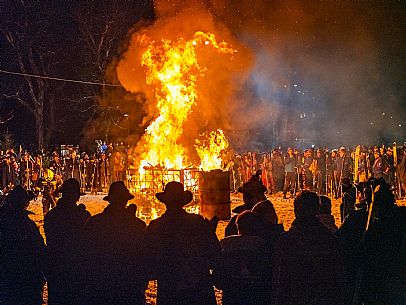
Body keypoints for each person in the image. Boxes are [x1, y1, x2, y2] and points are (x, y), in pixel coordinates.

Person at [147, 181, 221, 305]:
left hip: (170, 288)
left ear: (166, 202)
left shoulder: (157, 226)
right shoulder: (197, 223)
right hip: (198, 288)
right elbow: (214, 252)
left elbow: (149, 258)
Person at [80, 181, 148, 305]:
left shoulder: (94, 223)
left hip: (102, 285)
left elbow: (86, 255)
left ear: (110, 200)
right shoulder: (137, 225)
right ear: (126, 201)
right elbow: (144, 257)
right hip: (130, 287)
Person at [273, 191, 345, 305]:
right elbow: (337, 276)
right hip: (323, 296)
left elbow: (282, 279)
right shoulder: (329, 238)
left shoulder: (288, 239)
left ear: (296, 210)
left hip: (297, 296)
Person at [44, 178, 90, 305]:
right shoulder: (83, 217)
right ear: (76, 196)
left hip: (56, 269)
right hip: (77, 270)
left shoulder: (51, 216)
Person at [1, 186, 46, 305]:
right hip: (25, 278)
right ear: (25, 204)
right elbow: (40, 250)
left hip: (7, 278)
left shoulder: (4, 221)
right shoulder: (27, 225)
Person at [217, 211, 272, 305]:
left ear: (238, 228)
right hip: (257, 296)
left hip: (233, 297)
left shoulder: (226, 246)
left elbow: (219, 280)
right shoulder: (265, 247)